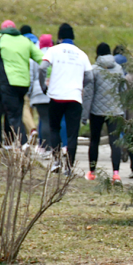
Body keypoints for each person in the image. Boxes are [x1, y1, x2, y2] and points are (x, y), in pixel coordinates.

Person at [39, 23, 93, 174]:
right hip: (74, 97)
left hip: (56, 96)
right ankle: (69, 167)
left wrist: (43, 85)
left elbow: (43, 67)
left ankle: (56, 161)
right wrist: (79, 85)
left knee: (54, 128)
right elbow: (90, 76)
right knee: (72, 134)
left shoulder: (54, 50)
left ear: (59, 37)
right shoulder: (81, 54)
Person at [0, 20, 44, 146]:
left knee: (13, 115)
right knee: (17, 112)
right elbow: (42, 58)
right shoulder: (25, 40)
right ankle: (12, 144)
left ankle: (24, 143)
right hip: (24, 84)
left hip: (8, 82)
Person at [83, 42, 126, 183]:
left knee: (94, 141)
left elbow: (88, 94)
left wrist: (85, 114)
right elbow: (123, 91)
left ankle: (92, 171)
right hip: (115, 110)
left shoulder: (94, 69)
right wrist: (123, 111)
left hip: (96, 111)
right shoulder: (119, 69)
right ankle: (116, 173)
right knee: (115, 142)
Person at [28, 34, 54, 156]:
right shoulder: (55, 55)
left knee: (43, 119)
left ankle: (43, 146)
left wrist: (29, 92)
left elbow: (32, 76)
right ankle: (49, 146)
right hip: (52, 91)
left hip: (38, 92)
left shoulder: (35, 56)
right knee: (50, 120)